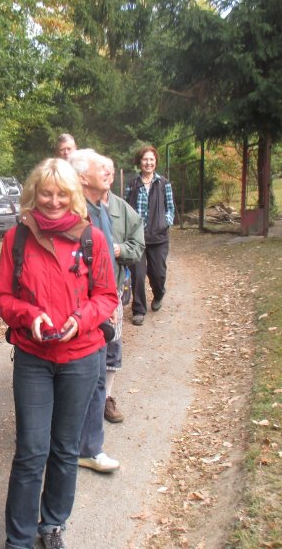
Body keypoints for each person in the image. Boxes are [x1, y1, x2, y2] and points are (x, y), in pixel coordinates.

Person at [0, 158, 118, 549]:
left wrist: (82, 319)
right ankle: (19, 538)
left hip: (81, 356)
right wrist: (29, 316)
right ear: (33, 193)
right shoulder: (18, 238)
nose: (53, 200)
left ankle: (53, 524)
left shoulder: (91, 238)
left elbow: (107, 296)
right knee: (31, 450)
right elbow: (0, 296)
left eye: (62, 193)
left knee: (64, 448)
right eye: (45, 192)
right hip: (33, 357)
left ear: (74, 196)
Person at [69, 150, 144, 473]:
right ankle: (71, 446)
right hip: (80, 312)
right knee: (80, 379)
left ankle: (88, 448)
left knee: (99, 377)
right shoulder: (75, 212)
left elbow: (115, 259)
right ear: (83, 177)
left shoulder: (105, 209)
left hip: (103, 305)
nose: (109, 173)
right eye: (103, 168)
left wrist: (110, 301)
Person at [100, 156, 144, 423]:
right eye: (100, 171)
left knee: (112, 342)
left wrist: (119, 250)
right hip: (80, 293)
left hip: (112, 288)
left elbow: (137, 246)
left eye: (109, 172)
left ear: (114, 177)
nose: (105, 175)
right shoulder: (77, 207)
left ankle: (106, 398)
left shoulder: (123, 210)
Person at [125, 146, 175, 326]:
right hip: (136, 238)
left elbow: (170, 208)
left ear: (156, 162)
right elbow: (125, 207)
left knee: (158, 273)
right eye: (145, 159)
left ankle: (159, 294)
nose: (148, 163)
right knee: (137, 274)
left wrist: (165, 222)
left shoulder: (163, 183)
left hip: (158, 237)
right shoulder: (132, 184)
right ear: (140, 162)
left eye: (151, 160)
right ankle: (138, 309)